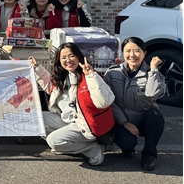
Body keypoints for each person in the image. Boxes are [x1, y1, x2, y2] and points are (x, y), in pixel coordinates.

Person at [29, 42, 115, 166]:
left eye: (71, 56)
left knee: (53, 141)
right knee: (37, 119)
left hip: (85, 125)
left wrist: (91, 76)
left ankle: (93, 149)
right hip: (68, 121)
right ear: (59, 61)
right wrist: (37, 67)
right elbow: (49, 85)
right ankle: (69, 145)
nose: (68, 60)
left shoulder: (89, 76)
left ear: (79, 57)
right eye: (63, 57)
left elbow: (104, 102)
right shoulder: (62, 77)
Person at [103, 37, 166, 171]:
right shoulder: (113, 73)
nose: (132, 55)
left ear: (144, 53)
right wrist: (124, 122)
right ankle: (128, 148)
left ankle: (149, 154)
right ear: (123, 53)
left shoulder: (153, 74)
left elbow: (153, 94)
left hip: (143, 119)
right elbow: (109, 101)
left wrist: (154, 70)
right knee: (127, 142)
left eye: (137, 51)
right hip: (121, 120)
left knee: (155, 116)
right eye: (128, 51)